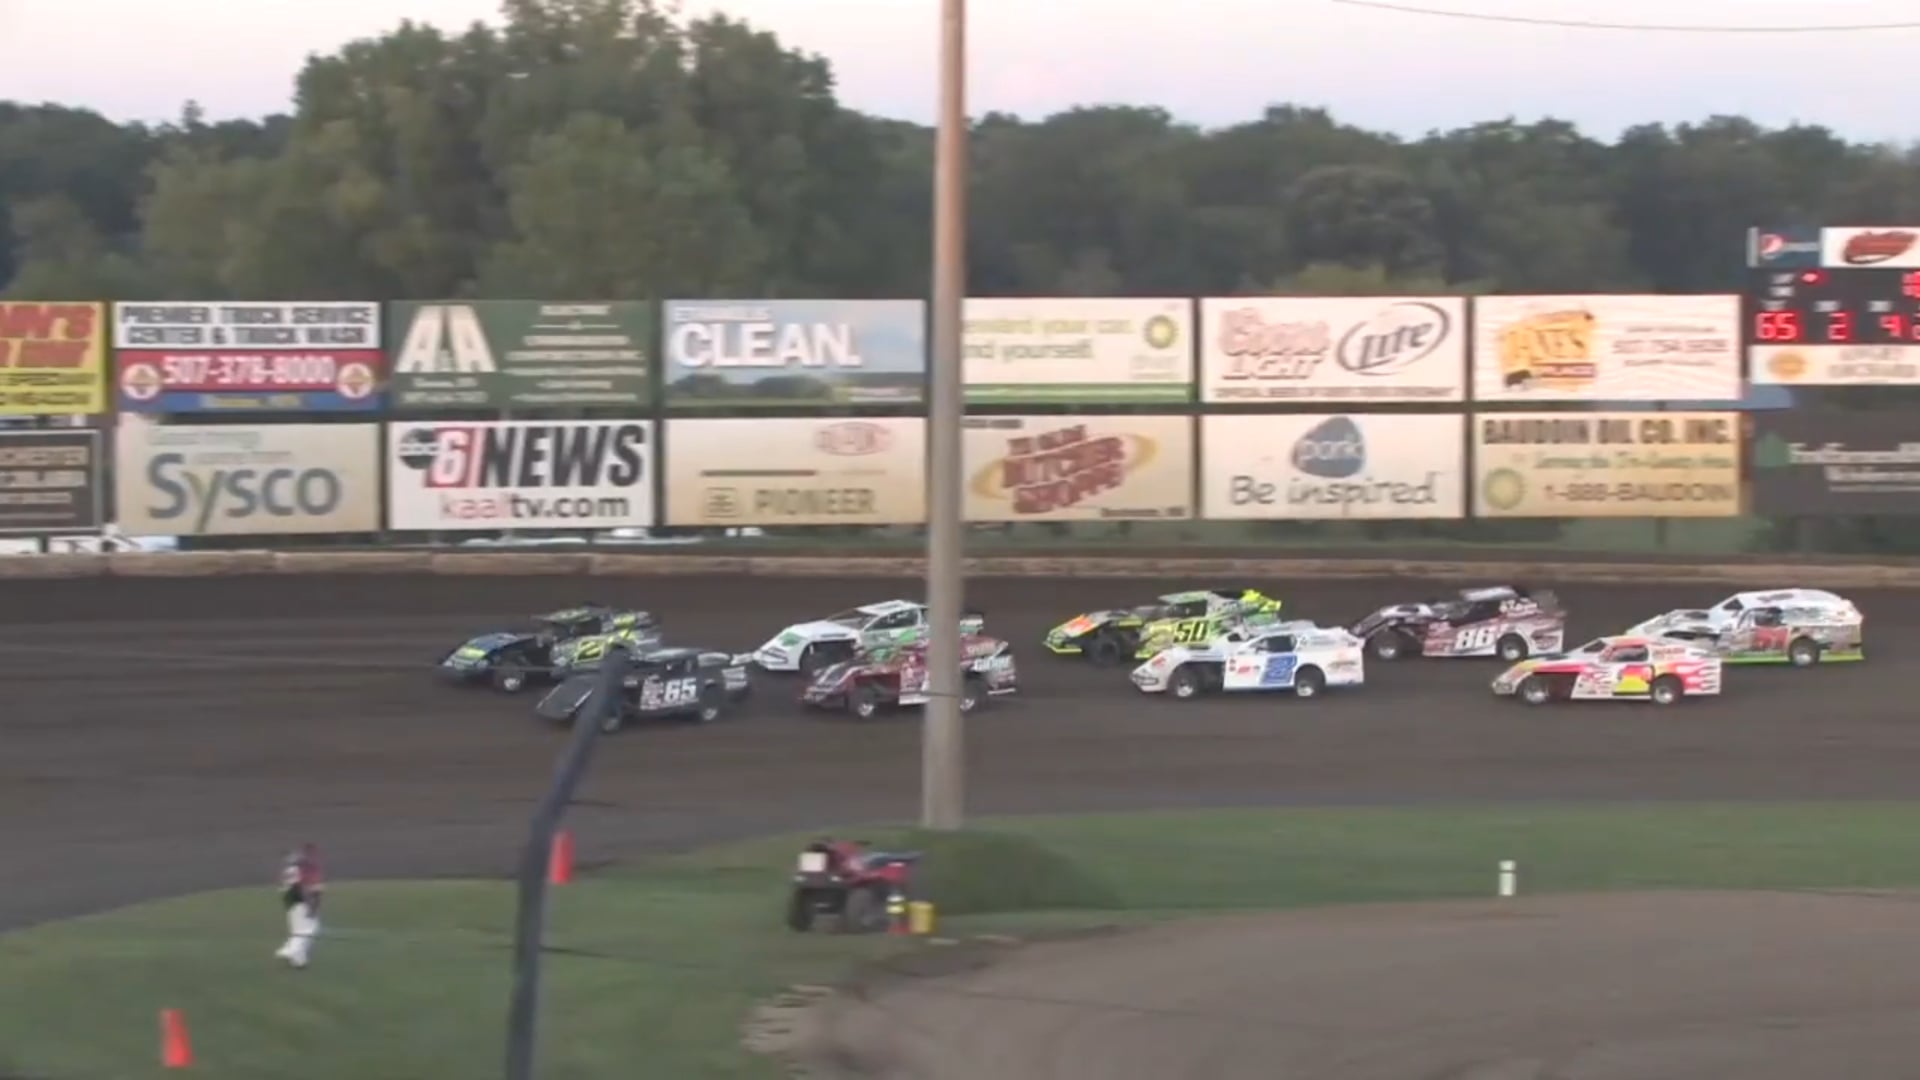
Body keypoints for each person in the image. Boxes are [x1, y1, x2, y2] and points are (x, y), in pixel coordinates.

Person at [274, 843, 324, 968]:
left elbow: (284, 885)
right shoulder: (306, 868)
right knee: (309, 929)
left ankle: (299, 961)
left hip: (290, 901)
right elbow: (305, 888)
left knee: (300, 930)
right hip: (299, 901)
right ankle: (290, 951)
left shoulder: (292, 867)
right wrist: (310, 906)